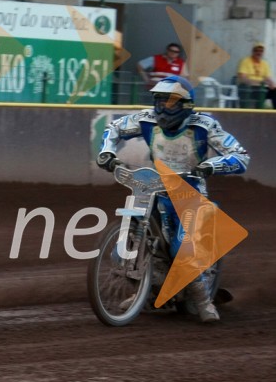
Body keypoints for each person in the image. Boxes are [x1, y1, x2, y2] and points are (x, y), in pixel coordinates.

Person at [95, 75, 250, 323]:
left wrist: (211, 166)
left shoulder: (204, 125)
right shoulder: (145, 118)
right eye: (160, 100)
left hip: (190, 191)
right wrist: (106, 152)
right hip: (153, 186)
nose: (163, 107)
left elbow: (240, 156)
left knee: (181, 247)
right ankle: (147, 290)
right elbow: (113, 128)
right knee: (134, 237)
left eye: (170, 101)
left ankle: (203, 301)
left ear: (186, 104)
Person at [236, 42, 276, 109]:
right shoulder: (245, 61)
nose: (259, 53)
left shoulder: (264, 63)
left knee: (274, 91)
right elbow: (243, 78)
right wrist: (259, 82)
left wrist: (272, 84)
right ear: (253, 51)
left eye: (261, 51)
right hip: (248, 88)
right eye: (256, 50)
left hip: (262, 88)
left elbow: (268, 78)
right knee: (258, 90)